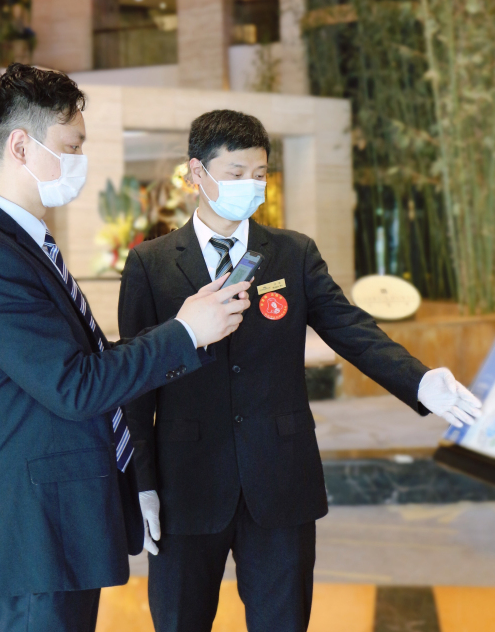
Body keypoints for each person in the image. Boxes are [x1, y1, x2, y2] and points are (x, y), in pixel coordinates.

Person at [118, 109, 482, 632]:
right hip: (186, 485)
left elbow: (351, 329)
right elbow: (135, 383)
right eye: (236, 173)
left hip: (281, 482)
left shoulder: (292, 253)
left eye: (260, 173)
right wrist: (142, 481)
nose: (251, 185)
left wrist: (420, 381)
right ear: (197, 172)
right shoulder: (151, 264)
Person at [0, 66, 252, 632]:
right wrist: (183, 333)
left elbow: (80, 365)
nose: (80, 161)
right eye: (71, 147)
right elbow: (75, 386)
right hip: (35, 535)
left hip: (58, 528)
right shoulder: (4, 254)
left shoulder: (28, 243)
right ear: (20, 146)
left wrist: (184, 327)